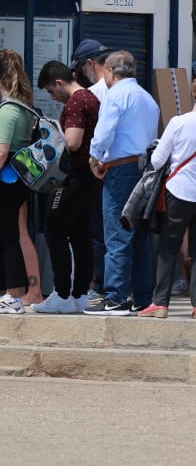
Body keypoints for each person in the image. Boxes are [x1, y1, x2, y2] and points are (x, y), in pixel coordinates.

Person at [86, 49, 159, 315]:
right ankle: (142, 296)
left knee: (116, 233)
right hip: (144, 169)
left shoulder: (116, 95)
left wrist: (94, 159)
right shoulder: (147, 98)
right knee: (138, 236)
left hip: (120, 169)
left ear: (110, 71)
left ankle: (115, 296)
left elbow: (104, 132)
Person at [34, 61, 102, 313]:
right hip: (91, 176)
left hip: (73, 176)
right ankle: (80, 293)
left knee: (54, 230)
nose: (53, 97)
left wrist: (50, 133)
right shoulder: (92, 98)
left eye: (52, 91)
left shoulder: (75, 102)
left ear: (60, 83)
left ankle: (62, 295)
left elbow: (72, 142)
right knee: (80, 235)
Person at [0, 50, 40, 314]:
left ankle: (13, 294)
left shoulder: (7, 109)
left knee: (7, 235)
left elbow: (0, 150)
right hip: (14, 176)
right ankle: (6, 292)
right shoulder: (20, 106)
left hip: (5, 177)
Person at [141, 106, 196, 317]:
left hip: (180, 191)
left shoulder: (178, 123)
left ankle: (161, 303)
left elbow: (157, 161)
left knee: (168, 246)